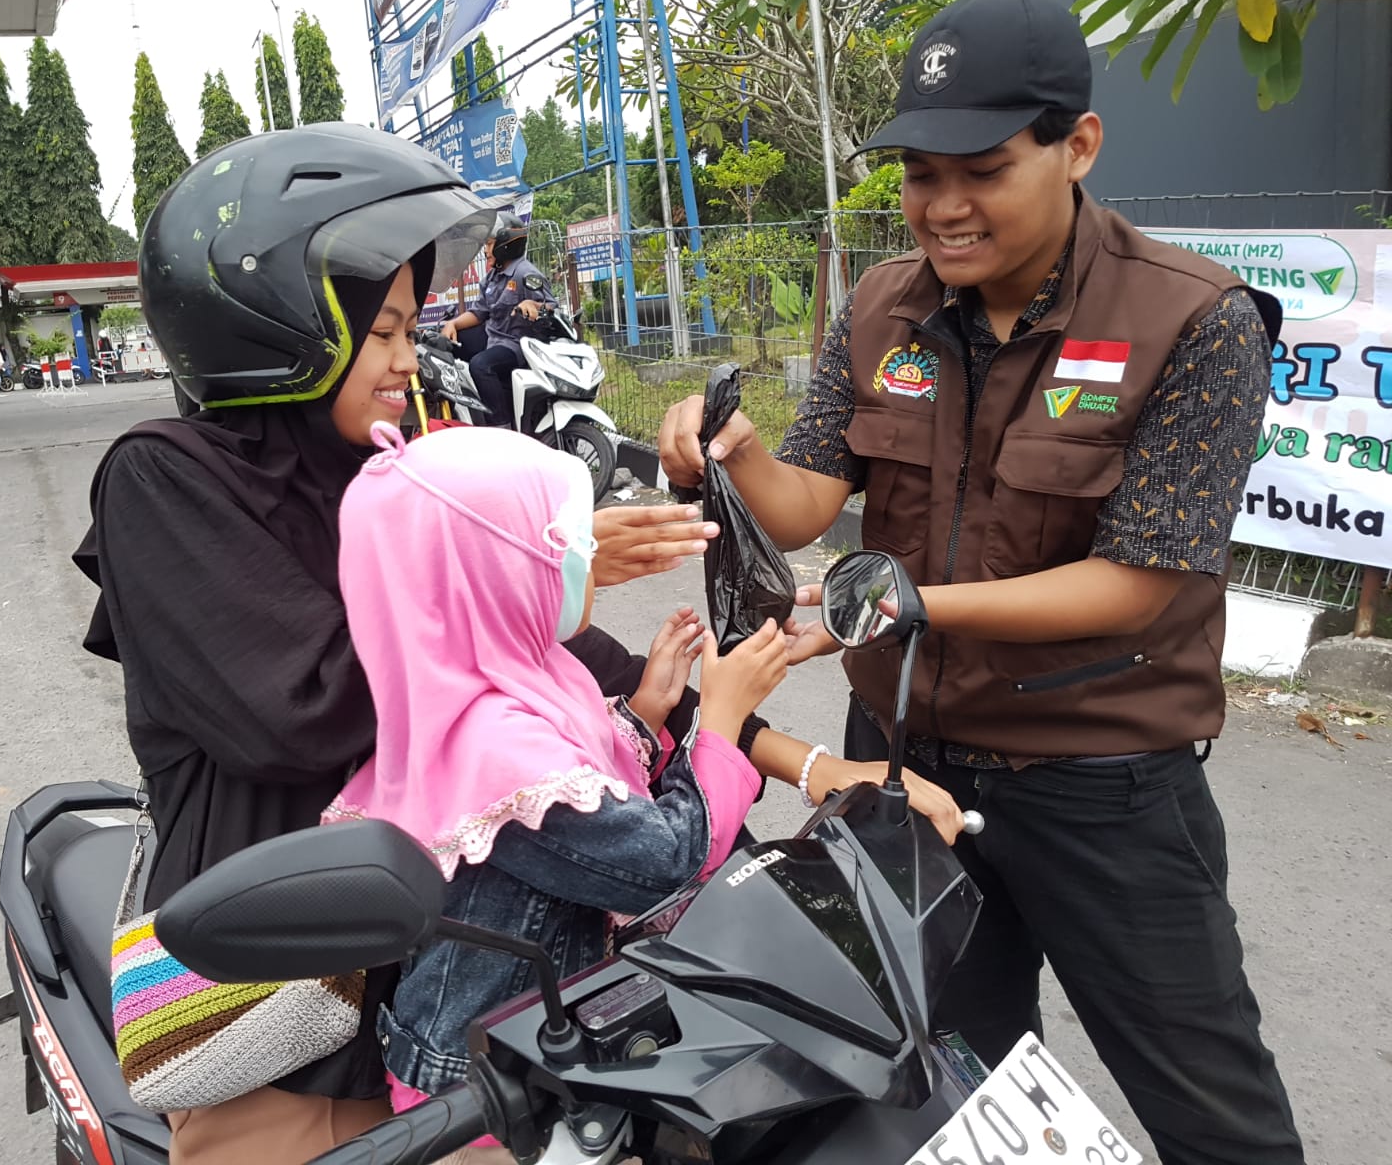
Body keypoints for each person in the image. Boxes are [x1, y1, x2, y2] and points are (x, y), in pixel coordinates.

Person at [72, 124, 960, 1165]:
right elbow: (296, 712)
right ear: (281, 325)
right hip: (288, 1038)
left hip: (485, 1015)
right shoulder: (167, 479)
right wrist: (520, 582)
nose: (409, 358)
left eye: (410, 328)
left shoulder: (393, 472)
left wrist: (809, 763)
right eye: (383, 330)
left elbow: (568, 670)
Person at [658, 0, 1302, 1165]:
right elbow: (807, 501)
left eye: (983, 170)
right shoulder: (879, 306)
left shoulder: (1195, 321)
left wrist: (901, 603)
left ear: (1078, 146)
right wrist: (733, 452)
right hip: (902, 771)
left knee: (1214, 1114)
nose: (943, 207)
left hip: (1102, 781)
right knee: (948, 1092)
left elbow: (1139, 582)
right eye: (919, 174)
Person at [320, 424, 784, 1157]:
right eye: (567, 540)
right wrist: (720, 726)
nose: (585, 558)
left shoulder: (494, 680)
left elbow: (577, 809)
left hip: (525, 1050)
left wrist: (644, 714)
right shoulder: (494, 743)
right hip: (492, 1103)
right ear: (492, 570)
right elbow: (662, 861)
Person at [439, 213, 553, 427]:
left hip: (517, 344)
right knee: (442, 347)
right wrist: (451, 324)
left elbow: (551, 307)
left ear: (506, 245)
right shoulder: (492, 278)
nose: (486, 250)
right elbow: (478, 313)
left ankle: (501, 425)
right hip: (494, 338)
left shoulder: (525, 274)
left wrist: (533, 305)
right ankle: (459, 414)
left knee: (481, 366)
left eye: (490, 244)